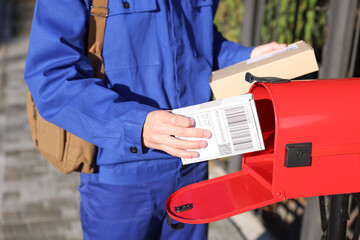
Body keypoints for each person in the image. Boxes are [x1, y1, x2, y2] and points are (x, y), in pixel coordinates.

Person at [24, 0, 285, 239]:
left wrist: (245, 58)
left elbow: (200, 44)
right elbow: (51, 76)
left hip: (193, 166)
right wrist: (135, 125)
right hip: (121, 176)